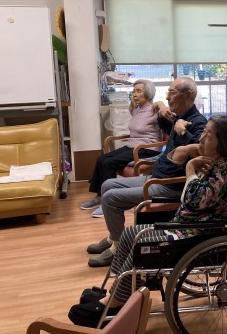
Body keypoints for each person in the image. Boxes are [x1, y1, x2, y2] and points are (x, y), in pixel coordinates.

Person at [68, 114, 227, 328]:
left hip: (196, 233)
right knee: (130, 233)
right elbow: (191, 197)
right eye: (204, 132)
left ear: (223, 142)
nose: (201, 137)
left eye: (208, 134)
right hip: (186, 227)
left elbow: (194, 200)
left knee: (141, 243)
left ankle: (113, 303)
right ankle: (118, 292)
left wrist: (190, 169)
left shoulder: (224, 168)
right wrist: (194, 168)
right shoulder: (213, 164)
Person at [85, 76, 207, 267]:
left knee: (110, 198)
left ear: (188, 95)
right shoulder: (177, 117)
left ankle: (117, 248)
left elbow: (201, 151)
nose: (167, 97)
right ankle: (114, 238)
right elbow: (163, 124)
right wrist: (163, 112)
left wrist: (183, 131)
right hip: (157, 176)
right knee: (107, 184)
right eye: (167, 92)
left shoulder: (198, 122)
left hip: (170, 185)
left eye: (172, 93)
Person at [80, 79, 163, 218]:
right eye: (134, 91)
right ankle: (99, 196)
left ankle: (106, 202)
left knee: (109, 163)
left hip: (147, 148)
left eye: (139, 91)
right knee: (101, 159)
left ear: (148, 94)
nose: (135, 94)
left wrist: (161, 104)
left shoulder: (154, 109)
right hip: (133, 145)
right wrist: (133, 101)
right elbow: (132, 109)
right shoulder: (137, 109)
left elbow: (163, 109)